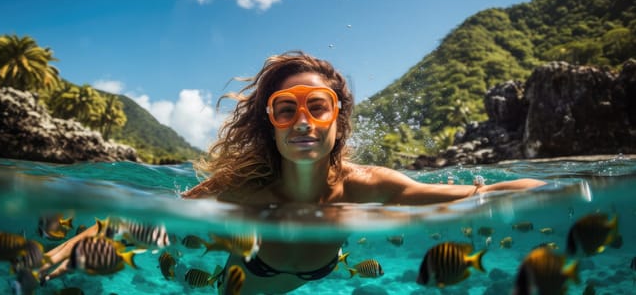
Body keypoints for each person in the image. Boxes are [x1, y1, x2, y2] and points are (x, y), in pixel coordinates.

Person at [180, 50, 546, 294]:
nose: (303, 124)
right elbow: (169, 219)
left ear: (339, 118)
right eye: (286, 109)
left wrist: (542, 191)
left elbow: (480, 195)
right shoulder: (240, 187)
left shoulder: (367, 185)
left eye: (318, 108)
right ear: (270, 123)